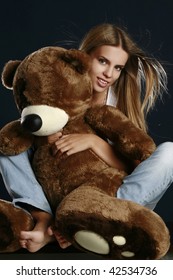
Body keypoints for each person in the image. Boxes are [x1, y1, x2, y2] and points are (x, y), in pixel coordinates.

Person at [1, 23, 173, 253]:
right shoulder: (59, 89)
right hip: (57, 195)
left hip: (110, 196)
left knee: (170, 152)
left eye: (118, 67)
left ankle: (88, 222)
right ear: (84, 57)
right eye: (103, 61)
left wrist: (95, 143)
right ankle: (44, 219)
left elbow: (136, 170)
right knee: (9, 141)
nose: (108, 74)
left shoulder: (117, 105)